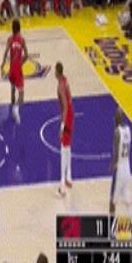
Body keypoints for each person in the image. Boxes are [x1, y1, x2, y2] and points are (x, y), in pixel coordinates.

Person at [1, 19, 28, 123]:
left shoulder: (9, 39)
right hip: (17, 68)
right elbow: (26, 55)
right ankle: (15, 110)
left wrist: (2, 66)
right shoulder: (22, 40)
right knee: (21, 95)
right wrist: (21, 63)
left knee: (12, 90)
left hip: (11, 68)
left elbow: (5, 53)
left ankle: (12, 109)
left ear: (12, 29)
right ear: (19, 29)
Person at [56, 62, 74, 197]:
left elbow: (66, 106)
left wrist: (62, 126)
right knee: (68, 147)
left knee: (63, 149)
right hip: (70, 115)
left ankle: (62, 184)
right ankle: (69, 177)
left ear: (57, 72)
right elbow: (70, 99)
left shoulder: (60, 86)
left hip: (67, 116)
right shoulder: (65, 80)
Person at [109, 107, 131, 215]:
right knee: (127, 196)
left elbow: (116, 151)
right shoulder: (128, 130)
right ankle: (130, 217)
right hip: (127, 168)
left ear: (117, 119)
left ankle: (111, 221)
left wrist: (112, 164)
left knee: (112, 199)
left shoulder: (117, 132)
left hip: (120, 169)